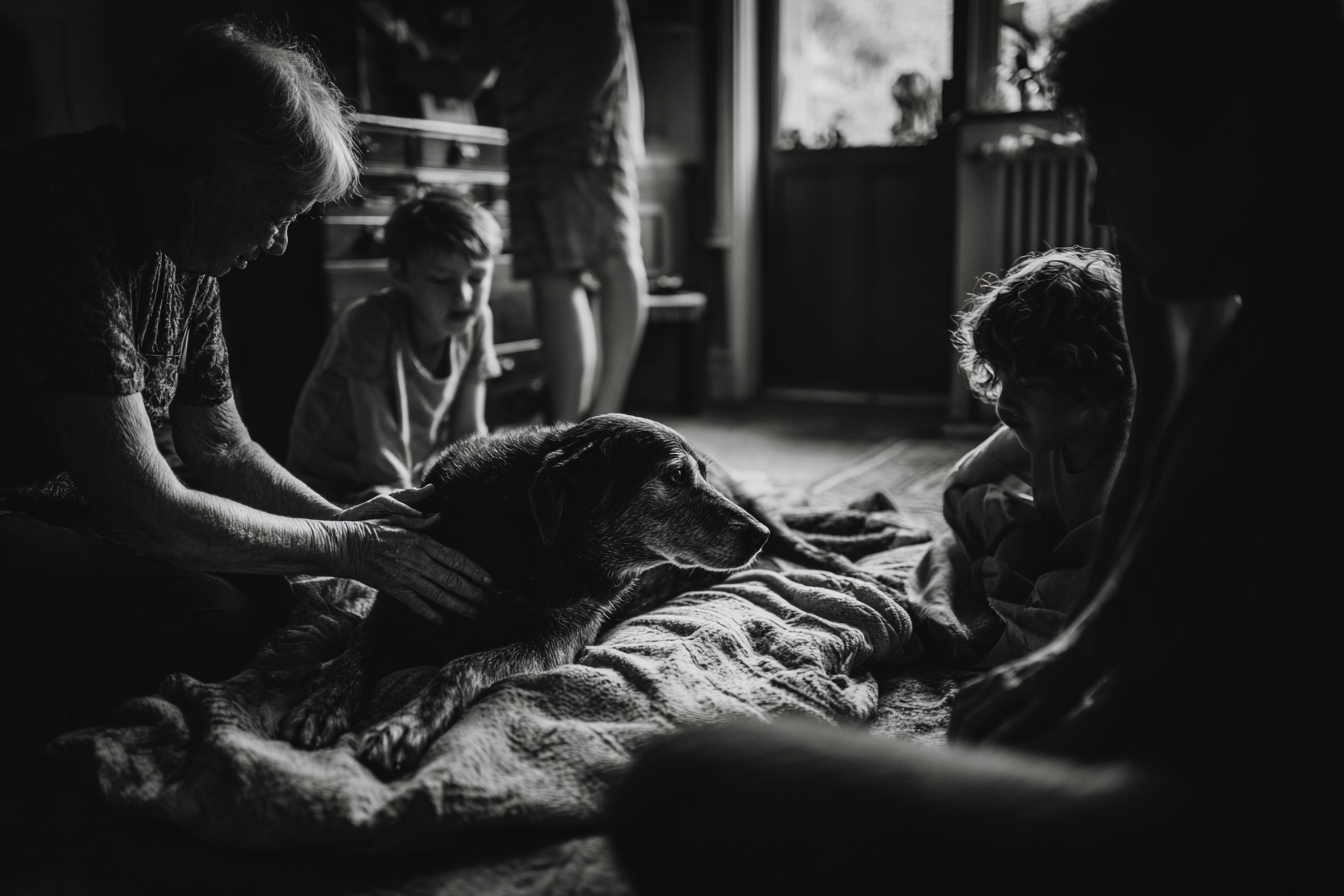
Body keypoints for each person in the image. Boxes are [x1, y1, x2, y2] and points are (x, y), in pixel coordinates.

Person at [607, 1, 1342, 893]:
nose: (1100, 204)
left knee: (685, 788)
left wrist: (1110, 721)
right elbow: (1164, 443)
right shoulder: (1245, 292)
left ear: (1235, 140)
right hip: (1204, 746)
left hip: (1260, 815)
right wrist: (1086, 651)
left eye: (1111, 159)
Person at [0, 20, 493, 761]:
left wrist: (346, 525)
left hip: (87, 514)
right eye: (279, 211)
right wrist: (343, 546)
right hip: (22, 508)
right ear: (209, 168)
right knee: (210, 617)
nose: (280, 241)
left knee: (281, 596)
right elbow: (141, 504)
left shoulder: (186, 246)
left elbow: (224, 446)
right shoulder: (60, 213)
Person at [374, 0, 648, 422]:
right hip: (527, 136)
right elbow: (470, 76)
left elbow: (603, 39)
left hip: (585, 125)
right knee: (551, 275)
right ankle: (569, 427)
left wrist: (576, 121)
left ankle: (604, 419)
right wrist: (397, 63)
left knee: (611, 259)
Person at [917, 248, 1130, 664]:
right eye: (1001, 377)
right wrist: (1009, 542)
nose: (1004, 404)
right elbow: (960, 488)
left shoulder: (1133, 458)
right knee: (967, 528)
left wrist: (1032, 574)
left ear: (1094, 381)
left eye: (1027, 383)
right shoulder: (1042, 433)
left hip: (1108, 571)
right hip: (1051, 555)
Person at [288, 189, 503, 504]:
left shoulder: (478, 320)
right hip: (327, 486)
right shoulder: (368, 323)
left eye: (477, 278)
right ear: (401, 273)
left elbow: (468, 431)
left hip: (400, 476)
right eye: (442, 280)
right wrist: (410, 501)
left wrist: (472, 486)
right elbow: (378, 450)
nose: (464, 296)